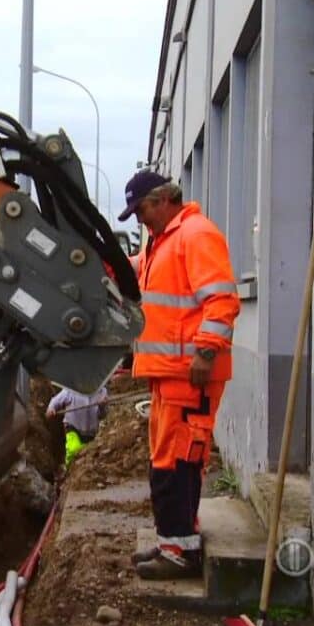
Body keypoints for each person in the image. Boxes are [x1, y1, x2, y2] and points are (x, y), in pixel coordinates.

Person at [116, 171, 241, 580]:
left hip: (190, 374)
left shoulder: (195, 235)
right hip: (169, 374)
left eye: (142, 210)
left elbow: (222, 300)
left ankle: (179, 553)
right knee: (168, 459)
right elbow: (129, 271)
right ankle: (175, 539)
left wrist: (206, 352)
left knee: (177, 461)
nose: (139, 220)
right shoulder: (161, 243)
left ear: (164, 198)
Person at [46, 385, 108, 466]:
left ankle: (78, 474)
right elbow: (56, 401)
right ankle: (69, 471)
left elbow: (102, 416)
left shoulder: (102, 392)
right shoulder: (71, 389)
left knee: (86, 458)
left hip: (91, 432)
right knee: (73, 449)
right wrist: (51, 409)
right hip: (72, 427)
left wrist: (102, 407)